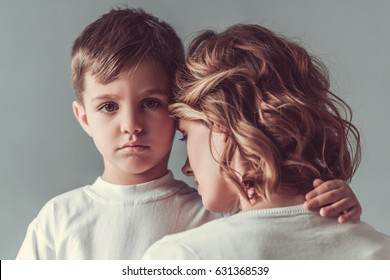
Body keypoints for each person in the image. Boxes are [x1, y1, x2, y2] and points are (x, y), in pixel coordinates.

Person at [17, 9, 361, 260]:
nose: (131, 125)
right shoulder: (58, 219)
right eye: (108, 107)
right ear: (84, 118)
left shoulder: (220, 205)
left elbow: (287, 234)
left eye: (150, 103)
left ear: (179, 110)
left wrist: (330, 207)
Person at [142, 23, 390, 259]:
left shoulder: (181, 258)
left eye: (186, 135)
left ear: (221, 125)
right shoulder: (379, 252)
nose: (186, 167)